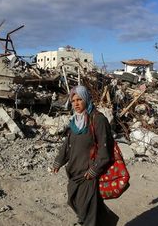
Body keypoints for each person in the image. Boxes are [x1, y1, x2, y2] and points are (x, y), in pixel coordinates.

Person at [52, 85, 119, 226]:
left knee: (87, 210)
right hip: (74, 172)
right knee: (74, 200)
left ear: (86, 99)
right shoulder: (75, 121)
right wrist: (59, 161)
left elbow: (104, 149)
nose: (76, 103)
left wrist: (94, 169)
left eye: (79, 99)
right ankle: (108, 222)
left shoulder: (98, 119)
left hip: (88, 174)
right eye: (73, 100)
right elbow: (68, 144)